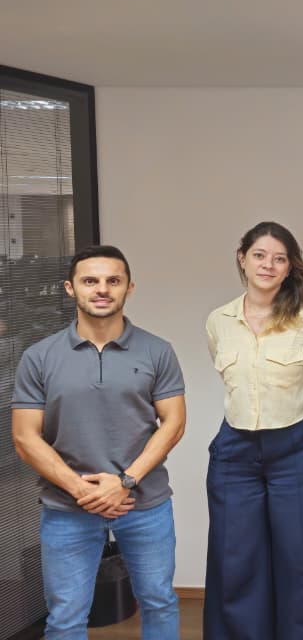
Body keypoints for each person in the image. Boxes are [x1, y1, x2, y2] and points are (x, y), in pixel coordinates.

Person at [11, 245, 187, 639]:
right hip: (66, 506)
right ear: (70, 288)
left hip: (144, 502)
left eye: (113, 280)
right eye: (90, 281)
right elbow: (25, 438)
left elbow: (173, 424)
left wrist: (124, 481)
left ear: (129, 288)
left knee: (159, 602)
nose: (102, 289)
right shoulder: (39, 357)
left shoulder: (157, 351)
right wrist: (83, 490)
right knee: (66, 616)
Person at [204, 221, 303, 639]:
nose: (268, 265)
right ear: (242, 259)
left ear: (290, 268)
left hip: (296, 449)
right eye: (259, 255)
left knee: (302, 560)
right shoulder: (219, 321)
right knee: (236, 561)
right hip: (234, 452)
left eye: (279, 258)